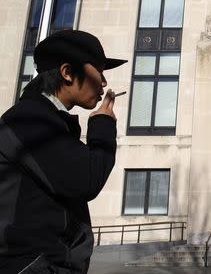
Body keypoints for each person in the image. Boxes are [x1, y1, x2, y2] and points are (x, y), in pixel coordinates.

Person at [0, 30, 127, 273]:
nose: (103, 82)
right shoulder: (31, 120)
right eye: (98, 71)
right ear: (67, 73)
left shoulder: (45, 119)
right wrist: (102, 125)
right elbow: (87, 179)